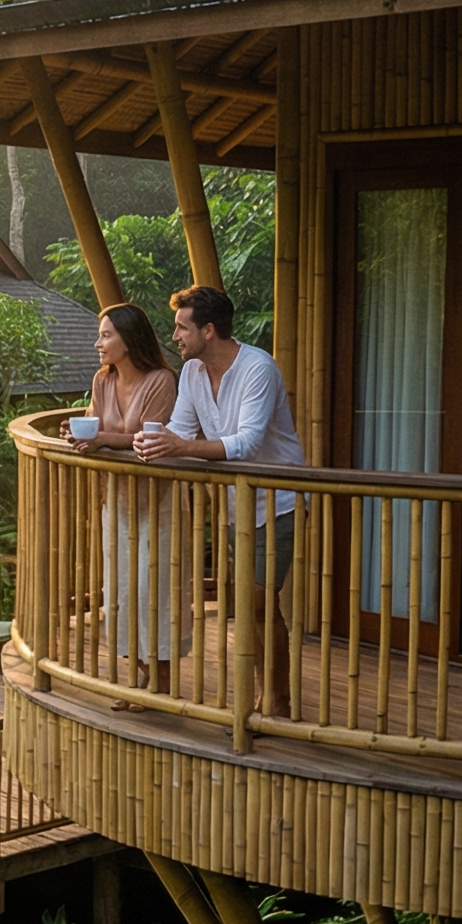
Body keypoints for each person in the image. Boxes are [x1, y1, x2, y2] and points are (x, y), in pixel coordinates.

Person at [134, 283, 304, 717]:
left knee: (259, 602)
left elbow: (245, 443)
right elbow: (180, 429)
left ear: (208, 330)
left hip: (276, 501)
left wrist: (177, 447)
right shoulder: (191, 374)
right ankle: (273, 698)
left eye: (181, 327)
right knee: (251, 606)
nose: (175, 336)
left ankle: (275, 699)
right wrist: (151, 444)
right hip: (235, 507)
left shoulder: (257, 369)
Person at [70, 304, 180, 702]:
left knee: (152, 590)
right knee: (117, 590)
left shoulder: (162, 381)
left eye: (106, 335)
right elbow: (94, 423)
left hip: (156, 500)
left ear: (129, 340)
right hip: (114, 498)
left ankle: (161, 681)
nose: (99, 343)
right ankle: (141, 678)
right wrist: (81, 435)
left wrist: (101, 440)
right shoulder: (104, 380)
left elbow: (150, 441)